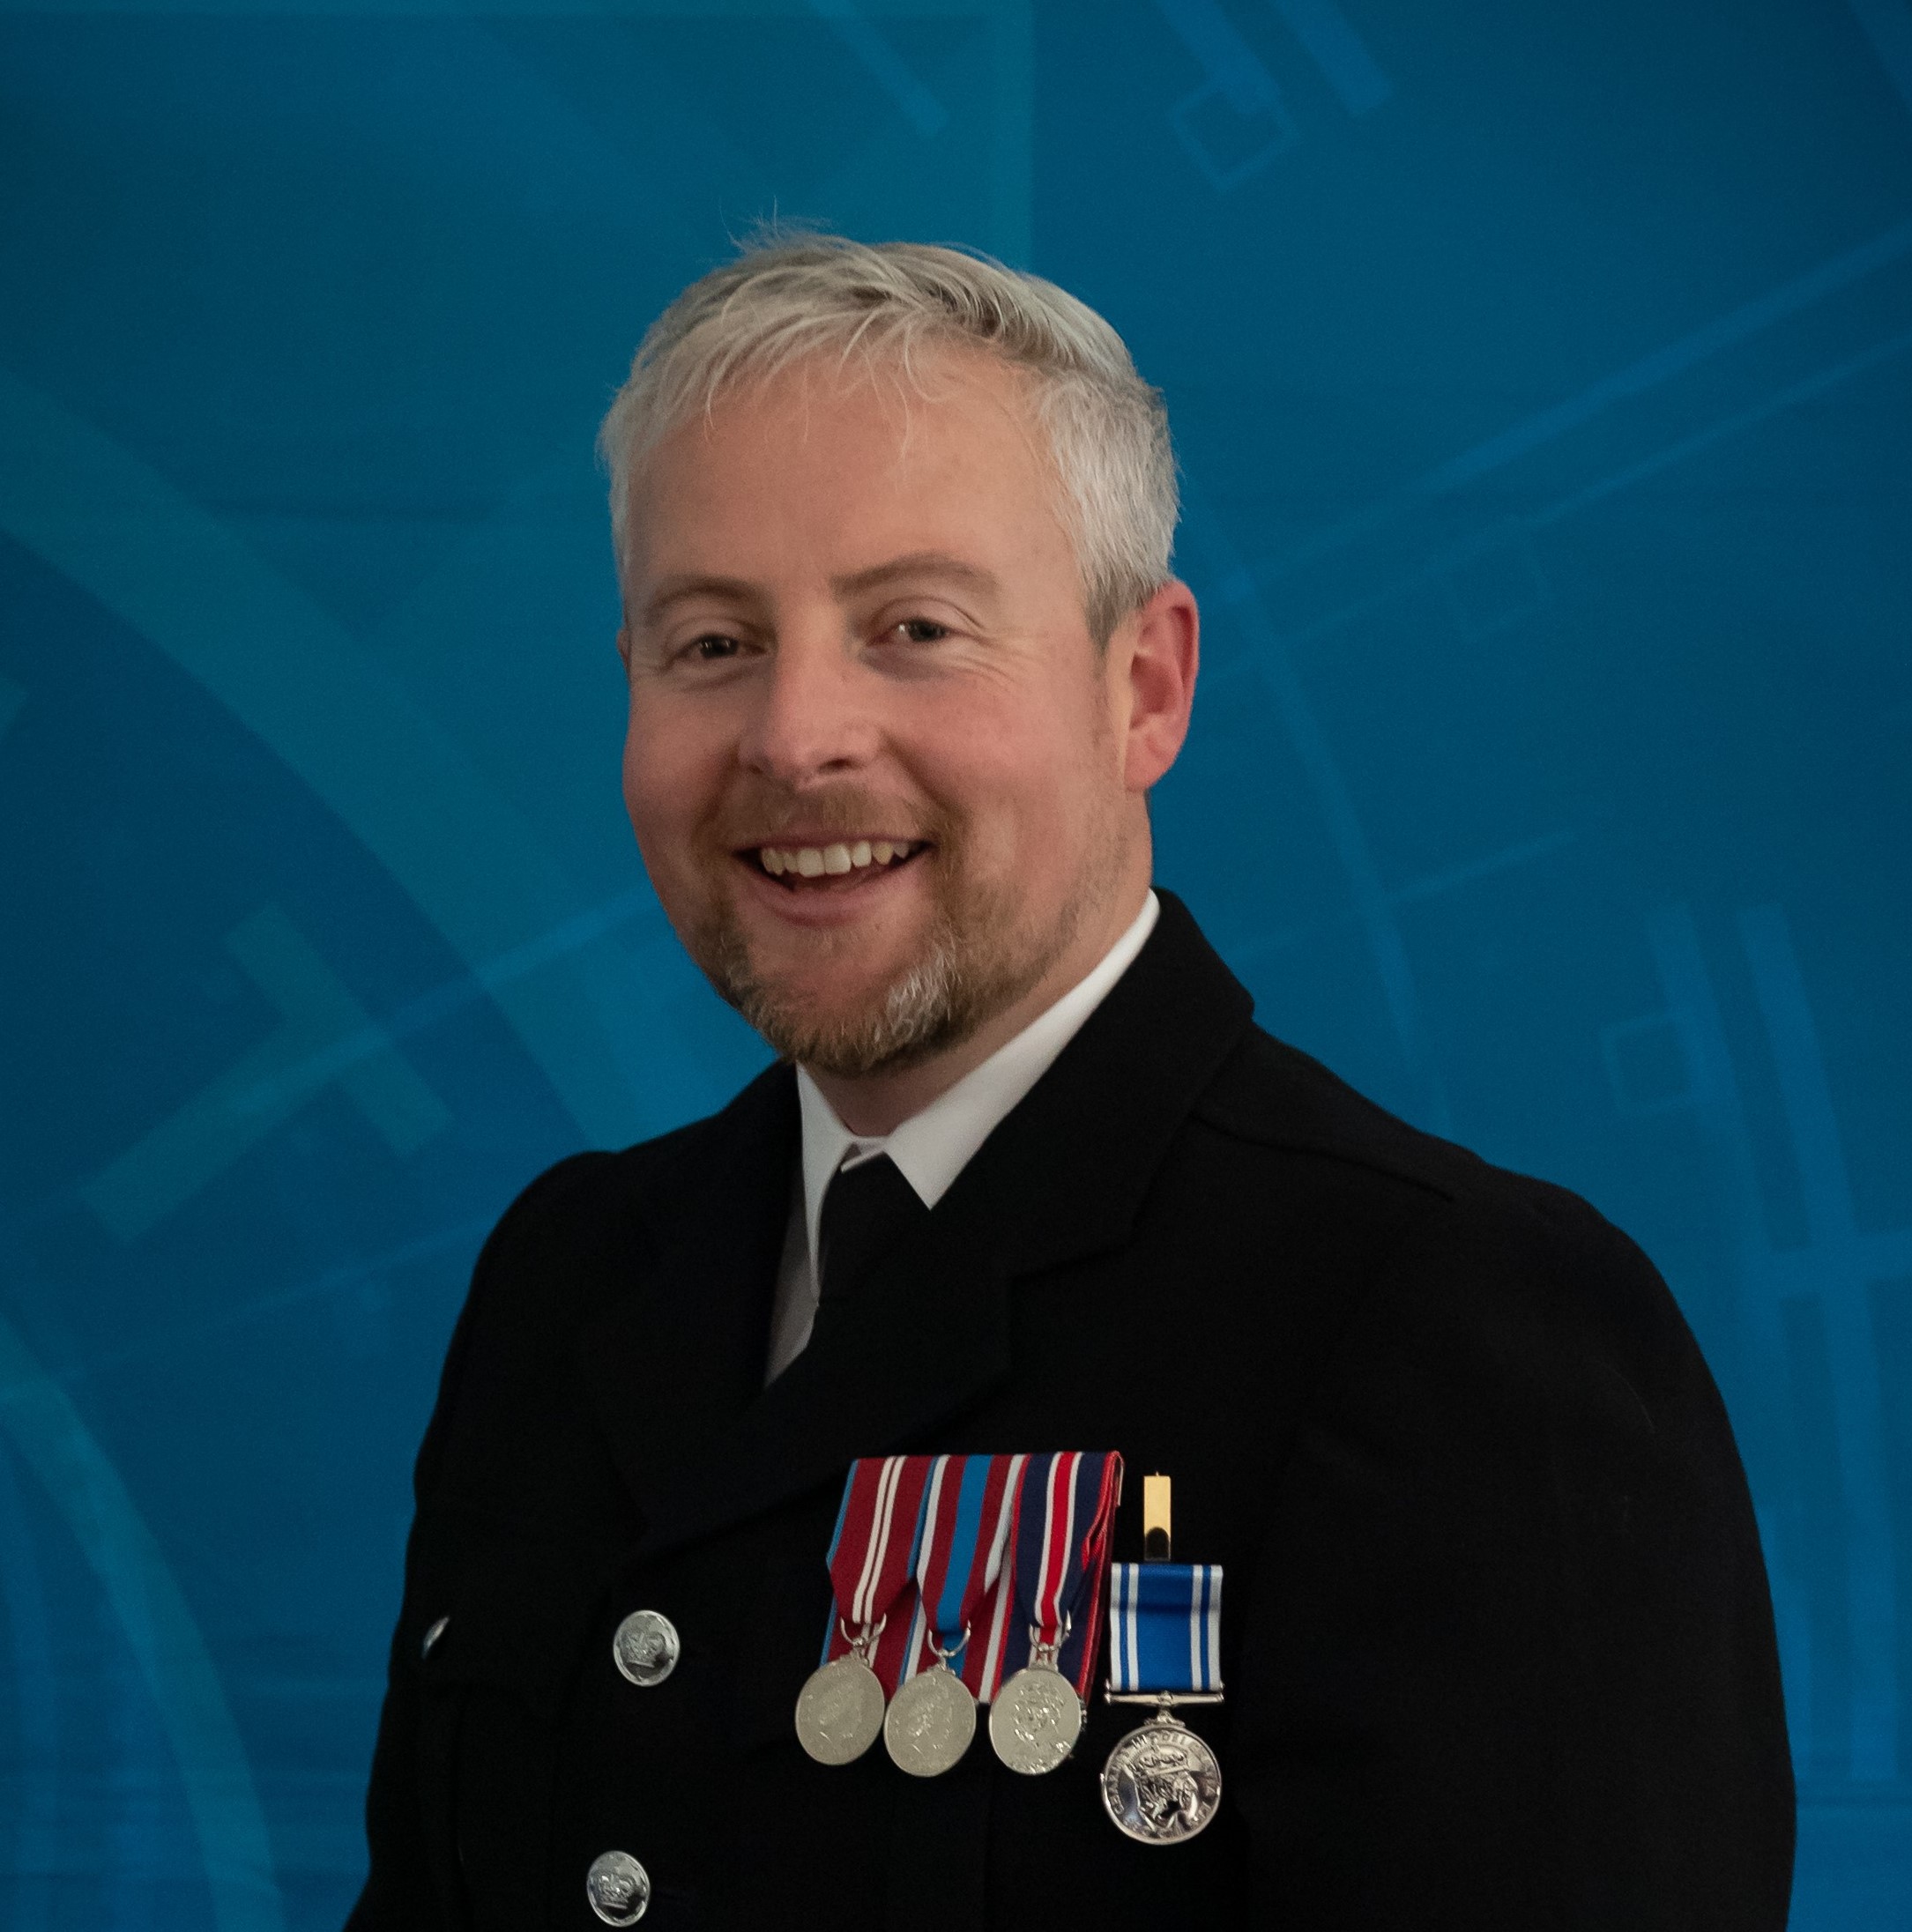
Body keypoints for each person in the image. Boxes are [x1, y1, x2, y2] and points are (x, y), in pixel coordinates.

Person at [347, 237, 1795, 1931]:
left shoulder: (1445, 1324)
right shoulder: (573, 1276)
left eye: (914, 628)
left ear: (1144, 687)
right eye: (713, 643)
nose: (795, 736)